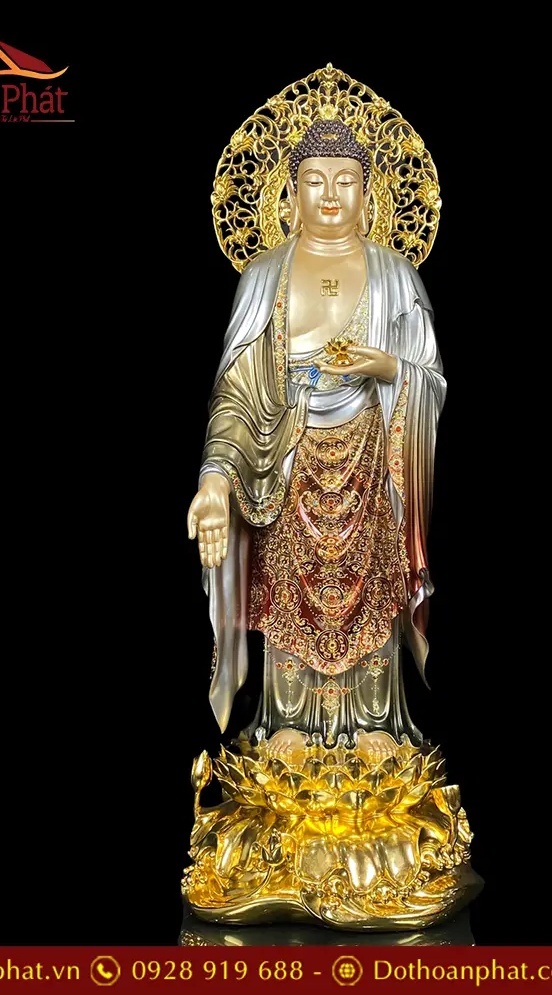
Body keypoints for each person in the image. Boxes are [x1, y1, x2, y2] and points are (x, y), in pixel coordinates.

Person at [188, 119, 446, 760]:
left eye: (346, 180)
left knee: (371, 586)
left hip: (372, 457)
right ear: (289, 193)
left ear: (369, 194)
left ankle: (375, 723)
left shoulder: (396, 277)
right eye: (314, 180)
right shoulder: (263, 276)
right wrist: (216, 478)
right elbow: (235, 392)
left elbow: (431, 380)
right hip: (287, 457)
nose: (331, 195)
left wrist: (390, 368)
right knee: (289, 590)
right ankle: (288, 722)